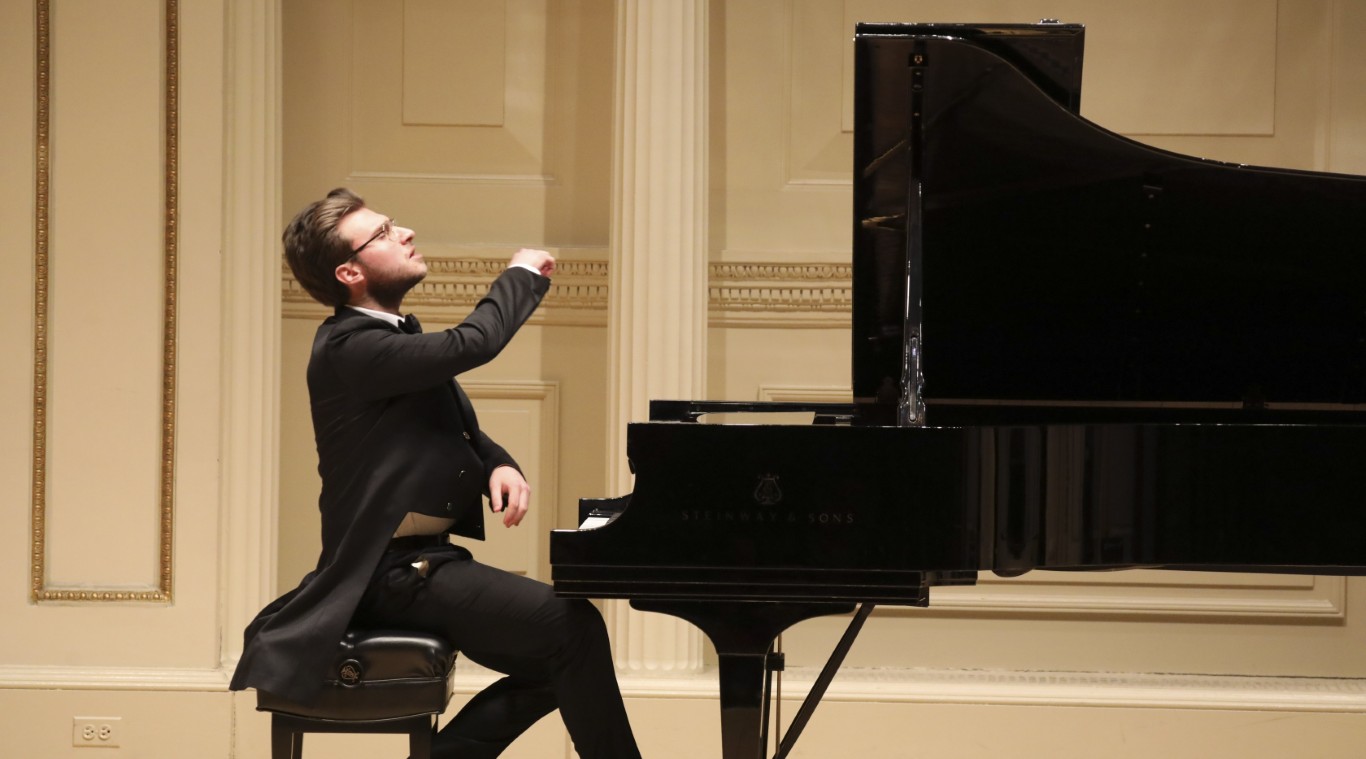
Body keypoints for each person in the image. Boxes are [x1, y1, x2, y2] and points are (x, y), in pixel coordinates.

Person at [230, 187, 642, 759]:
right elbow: (474, 343)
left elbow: (444, 424)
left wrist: (498, 462)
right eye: (383, 233)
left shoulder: (386, 339)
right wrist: (521, 275)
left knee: (563, 653)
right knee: (572, 626)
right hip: (389, 574)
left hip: (423, 563)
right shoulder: (351, 348)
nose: (405, 233)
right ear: (350, 272)